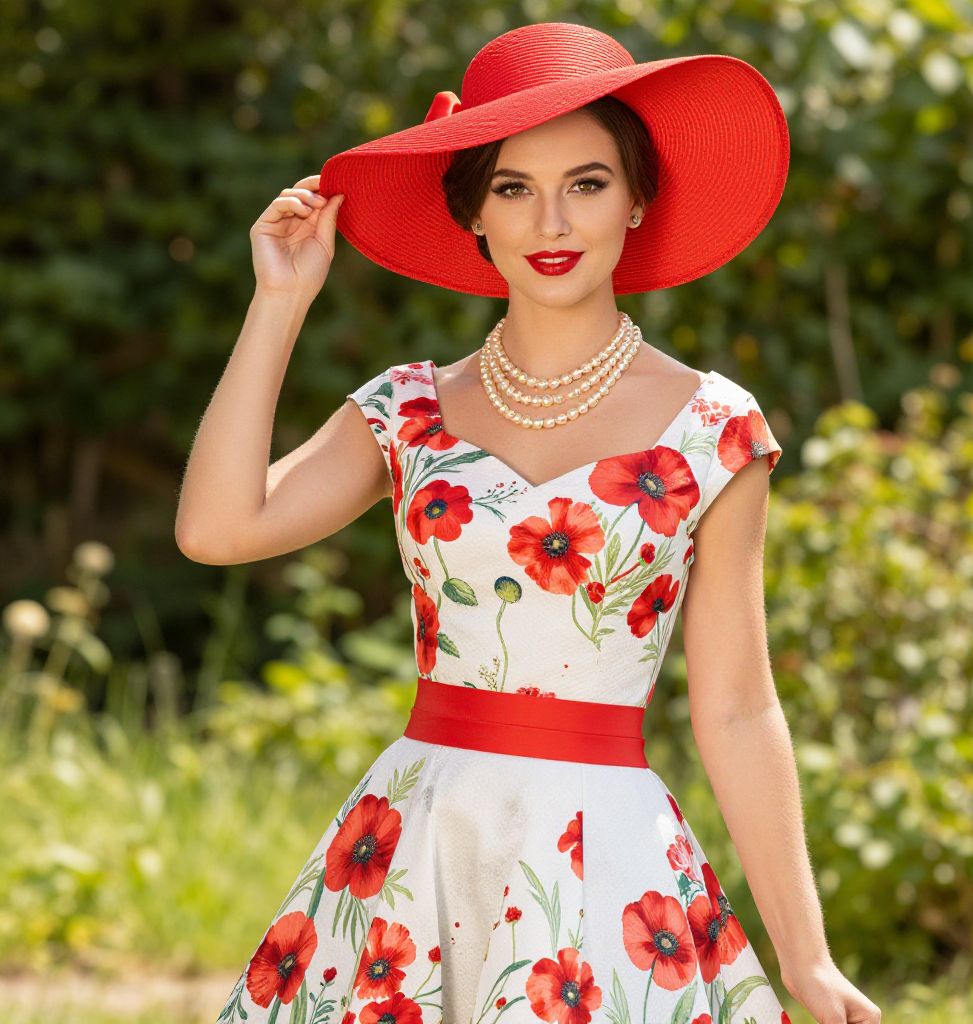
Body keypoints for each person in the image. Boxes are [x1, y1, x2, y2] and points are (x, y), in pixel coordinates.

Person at [179, 22, 881, 1024]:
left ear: (638, 197)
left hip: (605, 860)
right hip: (419, 843)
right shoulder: (405, 408)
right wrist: (278, 304)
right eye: (513, 186)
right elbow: (216, 528)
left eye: (587, 182)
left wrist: (805, 960)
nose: (550, 219)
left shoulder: (713, 430)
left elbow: (735, 709)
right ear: (473, 210)